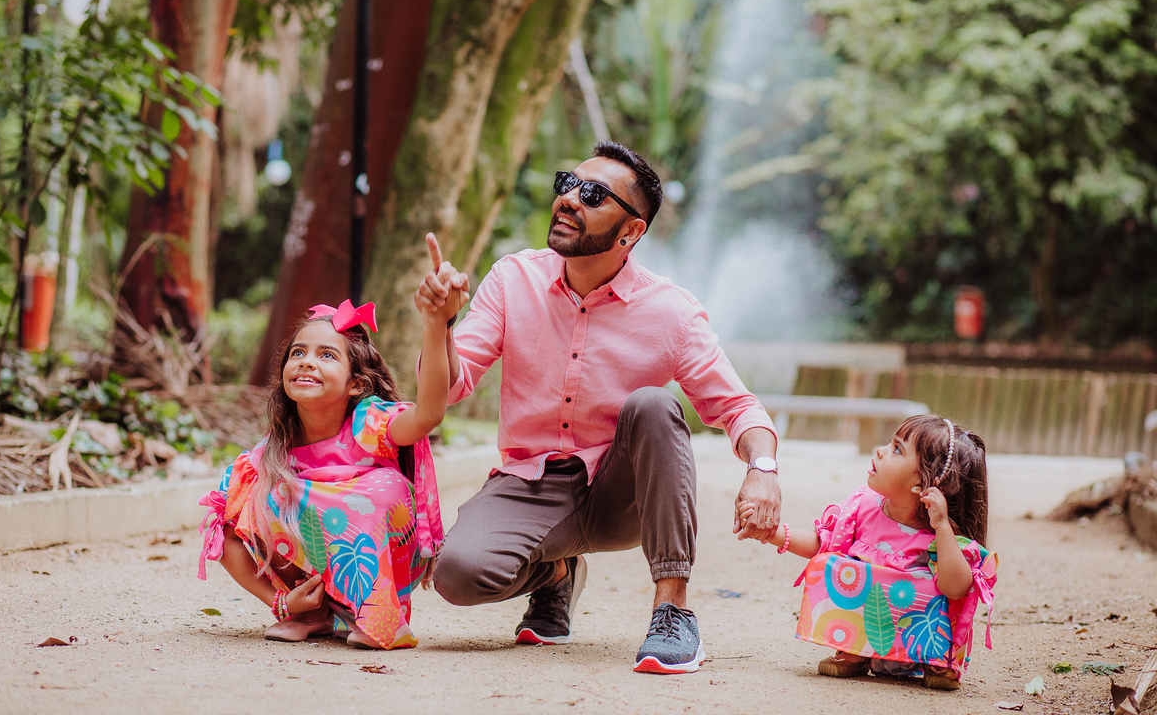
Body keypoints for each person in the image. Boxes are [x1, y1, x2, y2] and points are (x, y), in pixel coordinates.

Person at [414, 141, 781, 674]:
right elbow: (449, 388)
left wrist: (762, 470)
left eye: (593, 194)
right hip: (531, 482)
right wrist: (438, 324)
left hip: (619, 493)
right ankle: (557, 575)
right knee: (456, 575)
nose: (569, 199)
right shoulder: (514, 279)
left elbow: (738, 405)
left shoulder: (671, 312)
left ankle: (673, 610)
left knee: (655, 404)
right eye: (568, 183)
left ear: (631, 232)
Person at [197, 236, 467, 649]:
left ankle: (376, 616)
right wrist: (281, 602)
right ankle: (313, 613)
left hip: (380, 557)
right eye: (298, 353)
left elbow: (429, 414)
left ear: (356, 383)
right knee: (247, 495)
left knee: (383, 489)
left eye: (327, 355)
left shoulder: (368, 422)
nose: (306, 360)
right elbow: (228, 531)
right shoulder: (276, 448)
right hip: (303, 588)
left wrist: (435, 323)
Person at [741, 415, 997, 690]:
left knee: (939, 591)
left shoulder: (941, 531)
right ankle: (853, 649)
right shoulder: (862, 507)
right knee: (828, 564)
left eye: (897, 449)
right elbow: (823, 543)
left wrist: (943, 527)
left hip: (918, 636)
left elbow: (956, 589)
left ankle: (938, 662)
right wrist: (772, 533)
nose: (880, 450)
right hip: (868, 630)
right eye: (889, 443)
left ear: (922, 485)